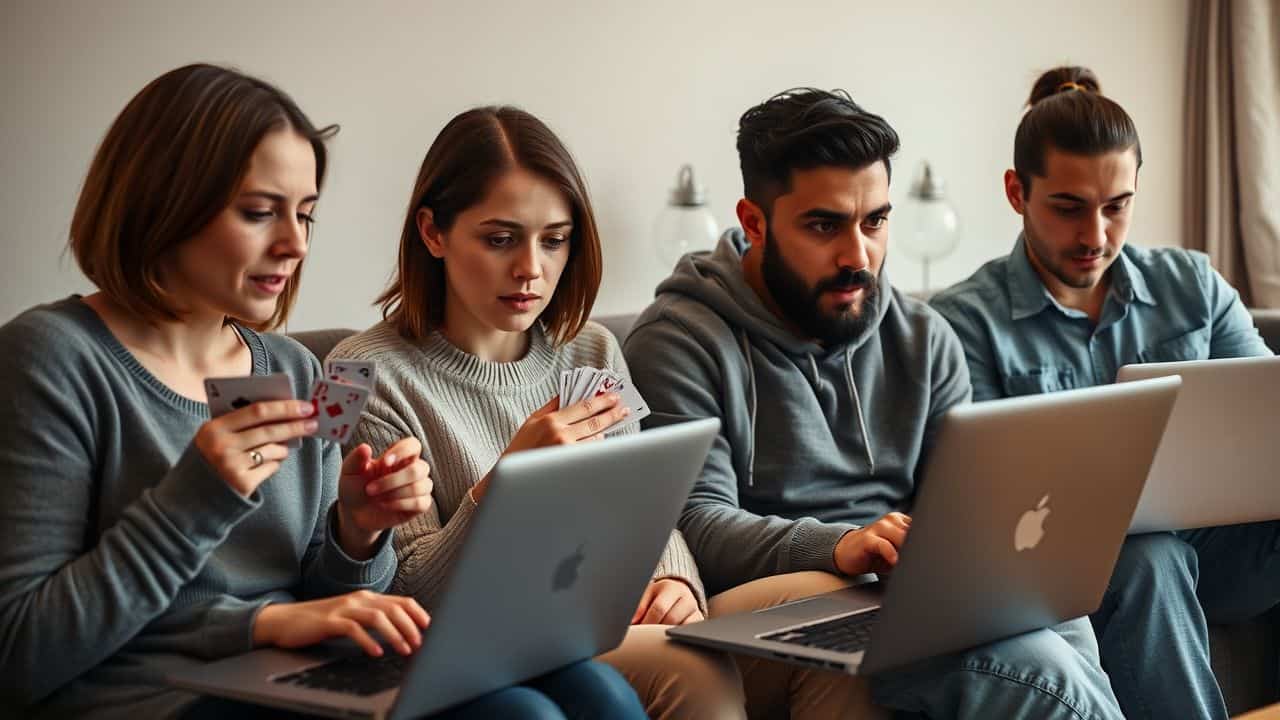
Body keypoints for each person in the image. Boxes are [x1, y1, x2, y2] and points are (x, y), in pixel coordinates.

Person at [0, 64, 640, 720]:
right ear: (163, 201)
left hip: (285, 675)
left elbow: (330, 596)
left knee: (597, 692)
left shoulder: (292, 369)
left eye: (305, 214)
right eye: (258, 213)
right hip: (155, 698)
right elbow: (20, 653)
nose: (295, 243)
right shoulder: (53, 359)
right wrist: (195, 507)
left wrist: (357, 532)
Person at [623, 86, 1128, 718]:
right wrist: (838, 544)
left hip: (901, 595)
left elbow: (966, 508)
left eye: (875, 221)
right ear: (755, 222)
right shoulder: (679, 340)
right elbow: (692, 523)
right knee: (1041, 671)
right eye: (824, 225)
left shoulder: (925, 340)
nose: (858, 256)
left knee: (1061, 622)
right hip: (773, 603)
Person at [328, 105, 744, 719]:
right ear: (433, 232)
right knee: (681, 674)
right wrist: (507, 481)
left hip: (584, 625)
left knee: (698, 659)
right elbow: (405, 595)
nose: (531, 269)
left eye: (553, 240)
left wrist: (675, 577)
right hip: (457, 647)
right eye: (500, 239)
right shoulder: (361, 374)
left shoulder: (592, 349)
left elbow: (640, 506)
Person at [929, 65, 1279, 720]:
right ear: (1016, 192)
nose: (1095, 236)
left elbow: (1269, 416)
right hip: (1083, 561)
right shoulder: (963, 322)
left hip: (1218, 545)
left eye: (1117, 206)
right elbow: (973, 494)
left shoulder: (1193, 285)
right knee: (1147, 554)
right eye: (1068, 208)